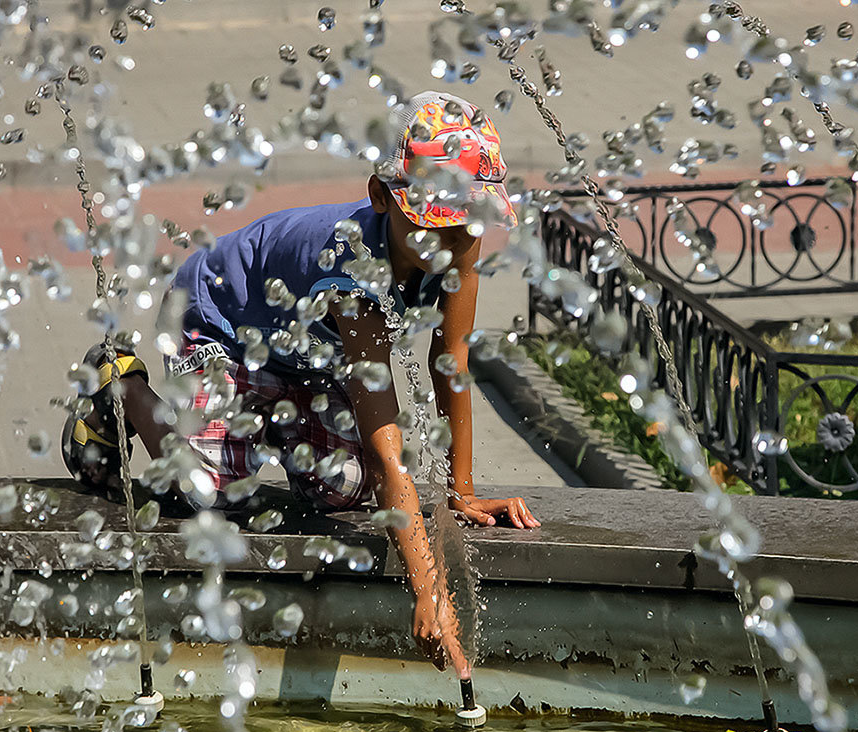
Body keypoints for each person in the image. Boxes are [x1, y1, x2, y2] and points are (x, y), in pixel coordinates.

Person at [61, 91, 538, 676]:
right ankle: (121, 381)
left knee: (345, 487)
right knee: (206, 492)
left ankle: (263, 422)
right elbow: (391, 449)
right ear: (383, 198)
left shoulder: (459, 239)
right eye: (434, 227)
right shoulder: (352, 272)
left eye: (466, 224)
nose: (450, 244)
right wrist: (428, 587)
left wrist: (461, 492)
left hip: (304, 355)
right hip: (219, 321)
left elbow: (453, 359)